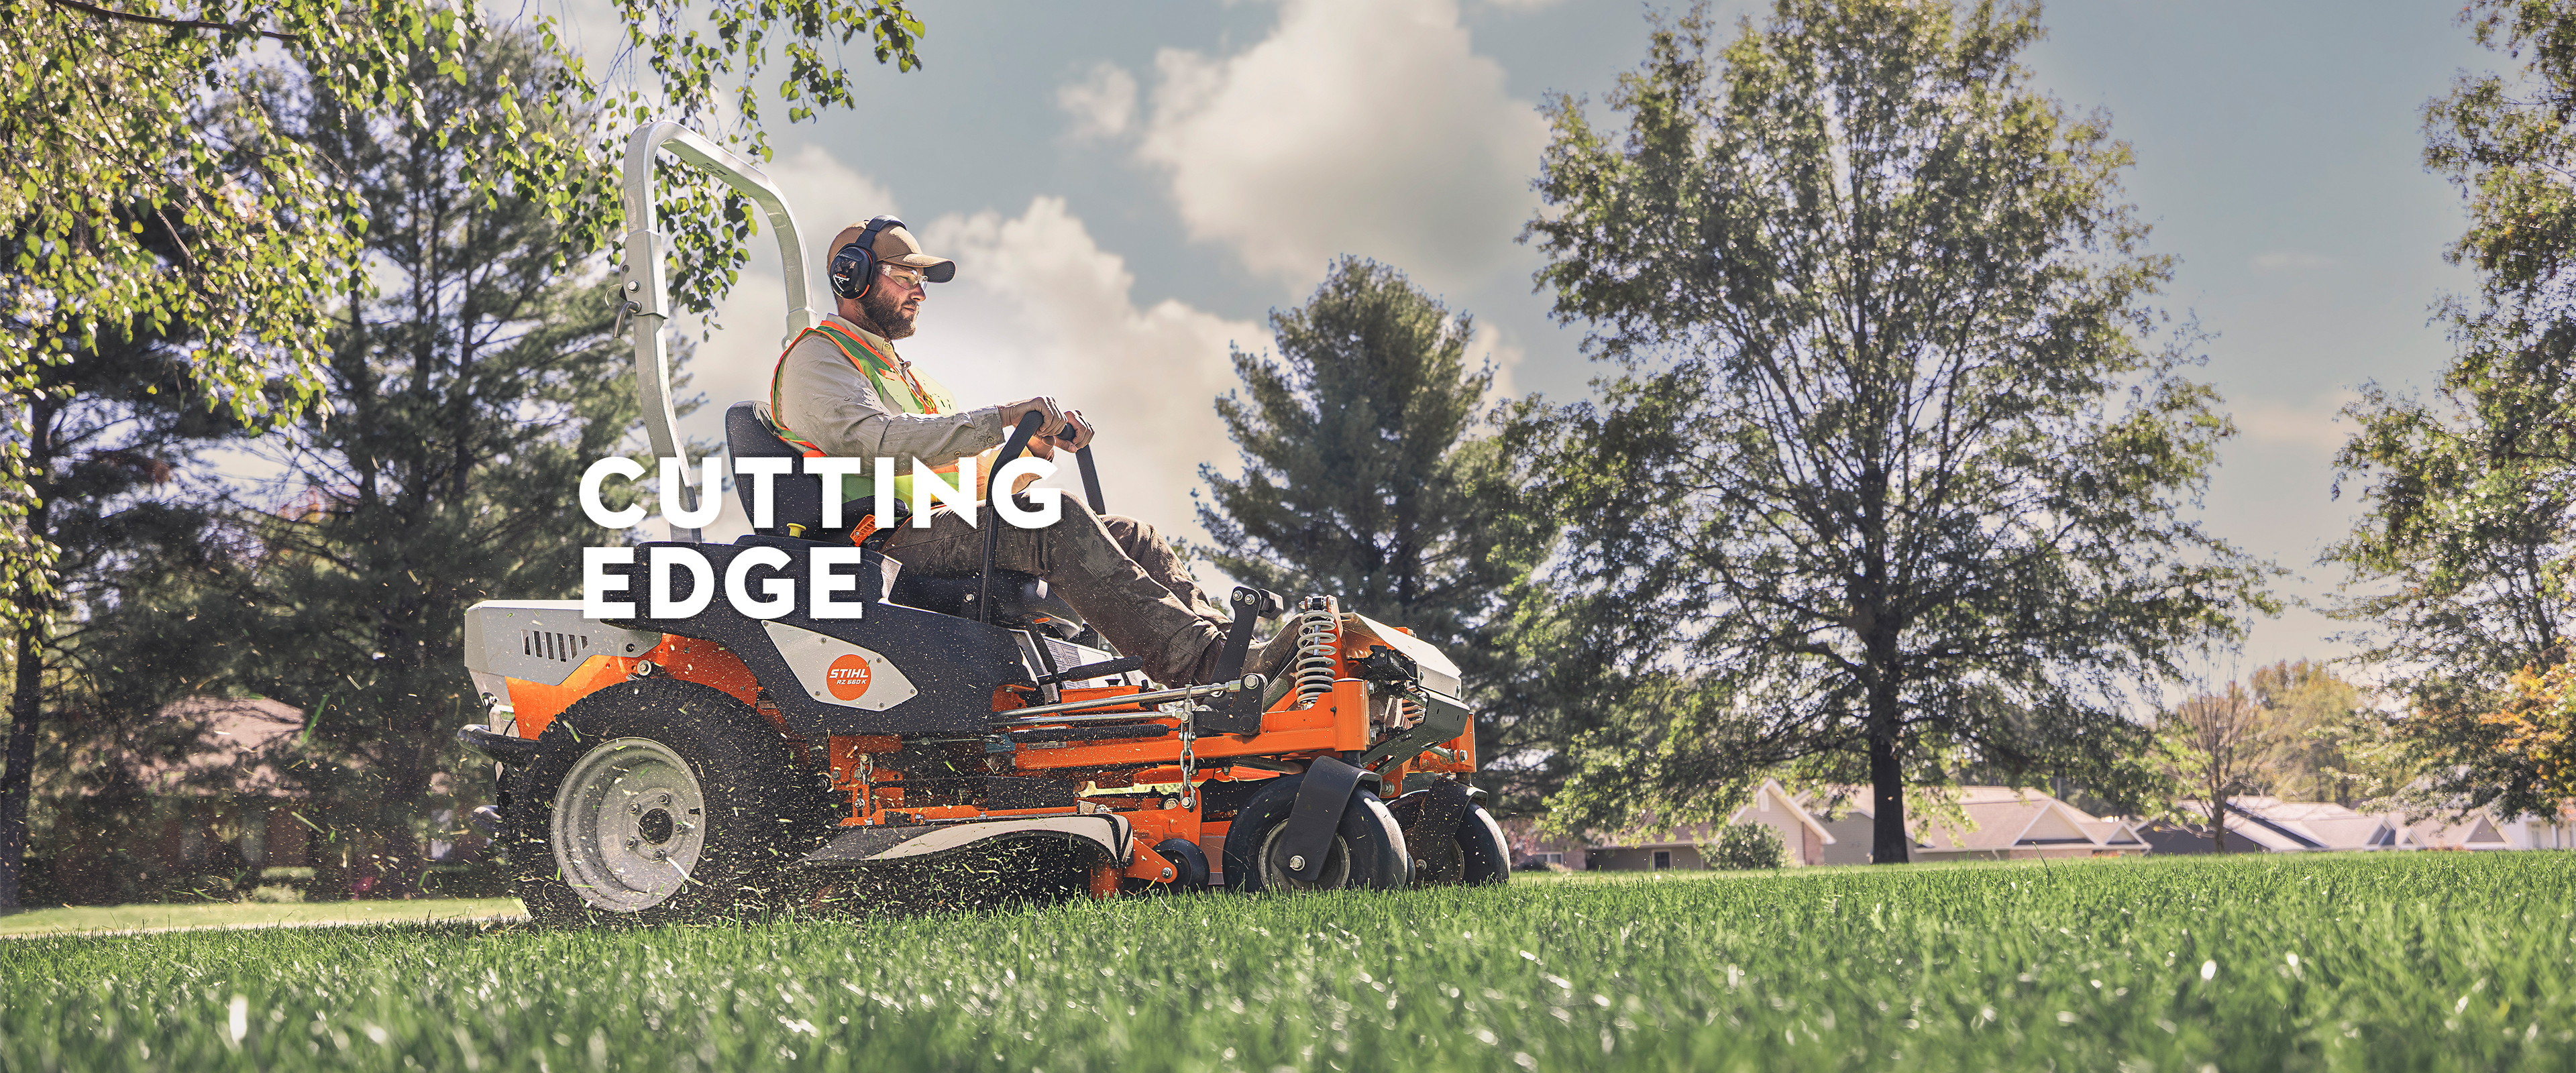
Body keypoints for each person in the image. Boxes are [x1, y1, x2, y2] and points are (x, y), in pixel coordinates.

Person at [770, 216, 1299, 687]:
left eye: (922, 281)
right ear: (852, 276)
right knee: (1056, 518)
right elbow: (876, 442)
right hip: (873, 544)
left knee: (1134, 536)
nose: (920, 293)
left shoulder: (912, 380)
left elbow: (971, 484)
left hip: (937, 527)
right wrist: (999, 417)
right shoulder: (818, 359)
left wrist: (1034, 450)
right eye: (905, 277)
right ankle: (1208, 671)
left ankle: (1236, 652)